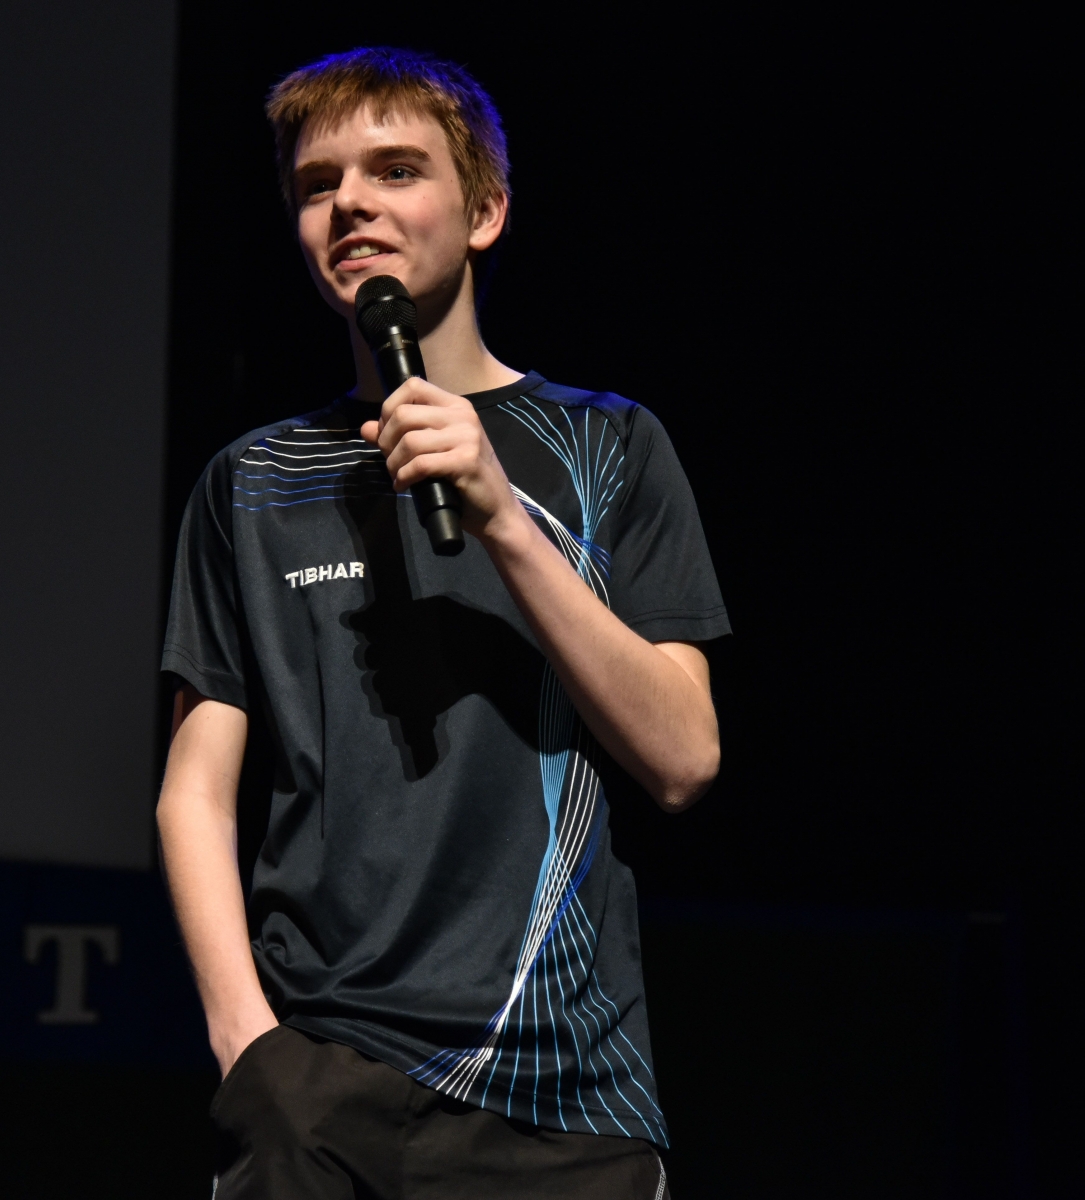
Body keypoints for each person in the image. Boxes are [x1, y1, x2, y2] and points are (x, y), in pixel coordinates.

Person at [157, 48, 728, 1198]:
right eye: (318, 184)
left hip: (563, 1092)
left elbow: (683, 757)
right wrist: (246, 1046)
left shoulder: (608, 447)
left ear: (485, 210)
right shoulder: (250, 481)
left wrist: (505, 520)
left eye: (395, 169)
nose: (351, 202)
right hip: (316, 1078)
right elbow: (195, 788)